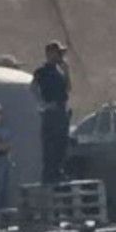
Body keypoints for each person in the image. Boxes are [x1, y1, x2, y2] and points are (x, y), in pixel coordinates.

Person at [31, 41, 72, 184]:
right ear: (50, 54)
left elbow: (68, 88)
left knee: (62, 143)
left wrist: (66, 72)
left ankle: (58, 171)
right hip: (51, 111)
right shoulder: (42, 71)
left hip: (62, 110)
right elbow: (33, 88)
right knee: (50, 144)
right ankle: (49, 174)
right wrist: (42, 104)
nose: (61, 56)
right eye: (58, 53)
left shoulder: (60, 70)